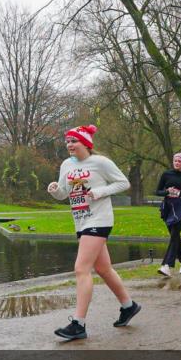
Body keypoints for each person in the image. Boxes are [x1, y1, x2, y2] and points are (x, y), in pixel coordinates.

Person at [48, 125, 140, 341]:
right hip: (81, 221)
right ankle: (129, 305)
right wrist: (55, 191)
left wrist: (100, 191)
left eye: (74, 141)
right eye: (68, 142)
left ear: (86, 143)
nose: (70, 145)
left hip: (99, 219)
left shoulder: (100, 162)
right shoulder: (66, 165)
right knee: (104, 269)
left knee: (81, 269)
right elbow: (64, 194)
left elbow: (123, 183)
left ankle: (78, 324)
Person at [155, 152, 181, 277]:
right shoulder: (166, 174)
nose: (177, 163)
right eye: (175, 161)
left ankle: (167, 265)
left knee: (174, 235)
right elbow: (157, 191)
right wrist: (166, 192)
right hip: (168, 207)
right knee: (175, 236)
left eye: (179, 161)